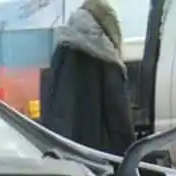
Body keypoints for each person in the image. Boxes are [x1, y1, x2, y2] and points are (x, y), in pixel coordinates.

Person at [41, 0, 135, 154]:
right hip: (99, 159)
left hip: (61, 153)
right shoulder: (107, 61)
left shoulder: (60, 53)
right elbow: (119, 120)